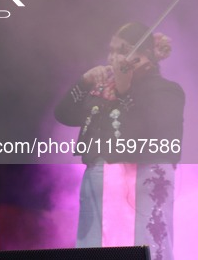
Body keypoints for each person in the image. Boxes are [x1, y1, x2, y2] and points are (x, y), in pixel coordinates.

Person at [54, 23, 184, 260]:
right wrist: (84, 81)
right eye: (111, 50)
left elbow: (149, 131)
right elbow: (63, 114)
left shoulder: (167, 90)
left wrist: (125, 91)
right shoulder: (104, 91)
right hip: (101, 179)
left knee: (149, 246)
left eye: (120, 51)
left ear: (144, 57)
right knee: (97, 247)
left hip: (145, 180)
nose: (113, 57)